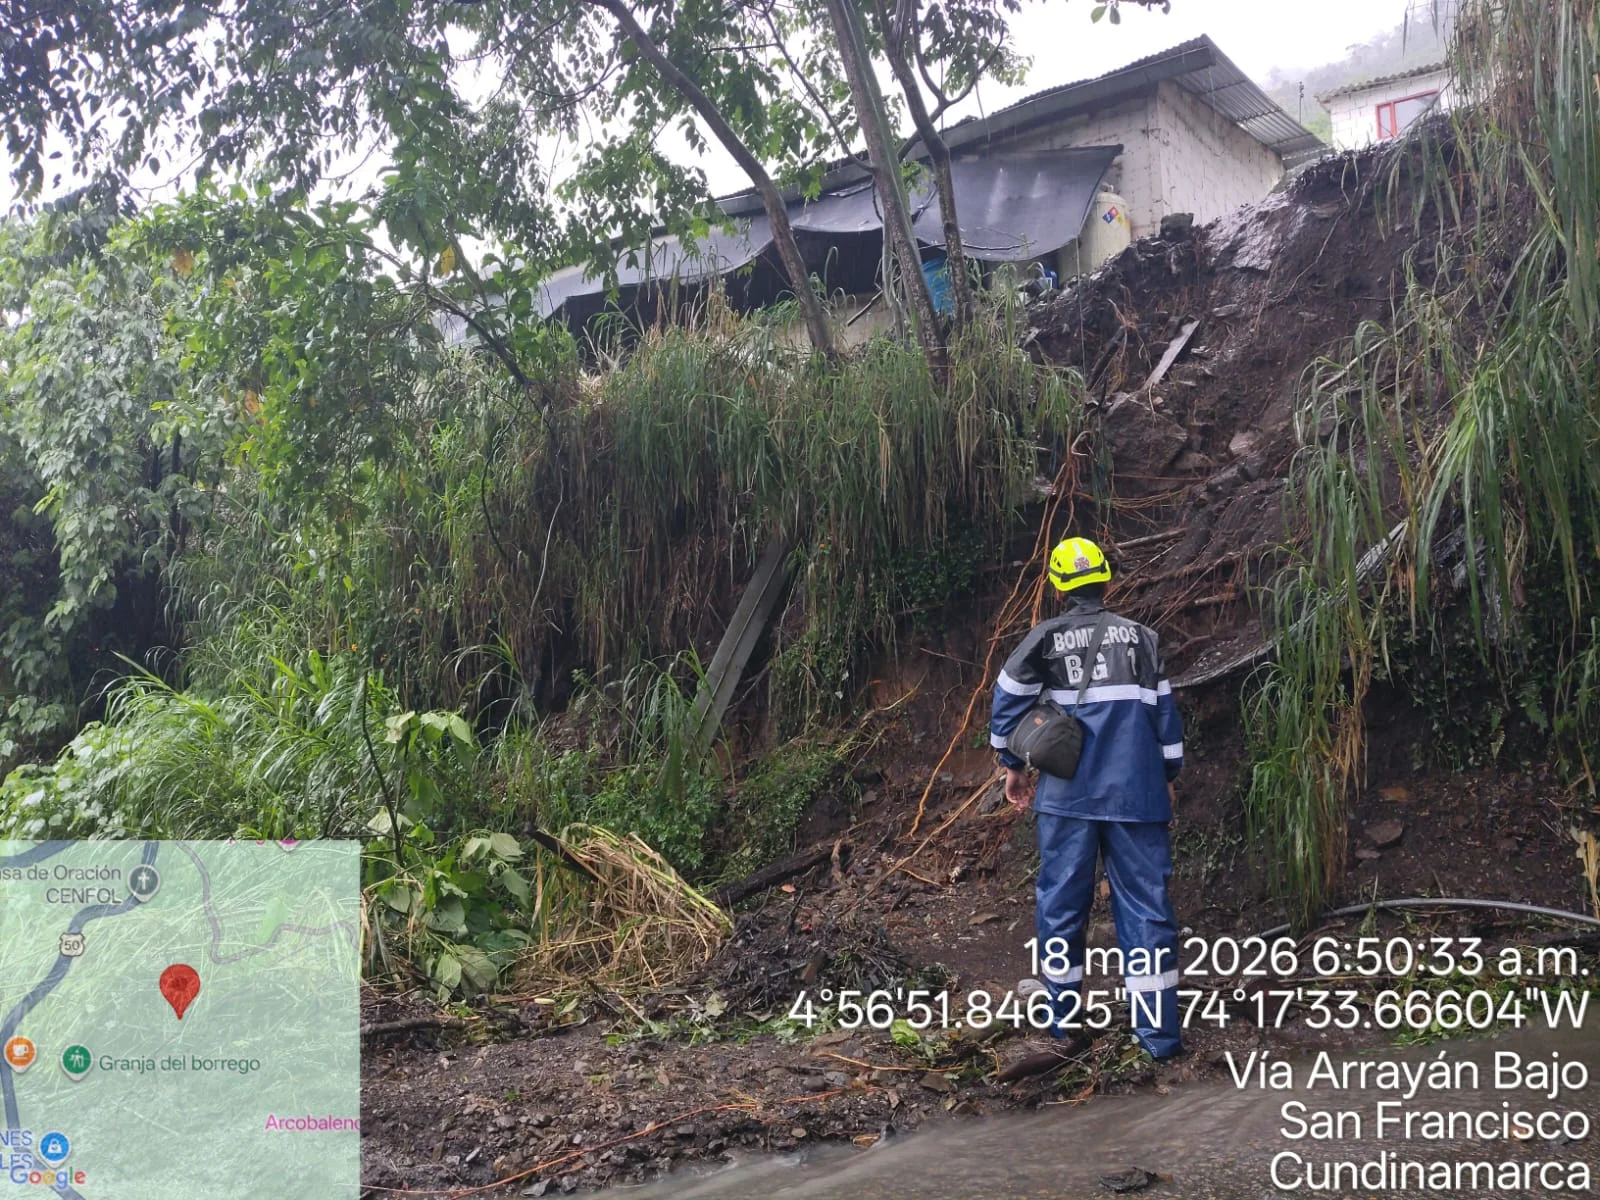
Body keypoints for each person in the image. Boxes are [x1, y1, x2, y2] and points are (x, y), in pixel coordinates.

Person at [989, 535, 1185, 1061]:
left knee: (1061, 906)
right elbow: (1165, 718)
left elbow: (1005, 705)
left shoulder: (1044, 639)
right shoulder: (1143, 639)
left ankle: (1063, 1029)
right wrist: (1168, 773)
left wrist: (1012, 766)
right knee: (1147, 907)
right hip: (1137, 794)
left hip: (1067, 796)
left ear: (1058, 586)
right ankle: (1159, 1040)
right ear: (1106, 581)